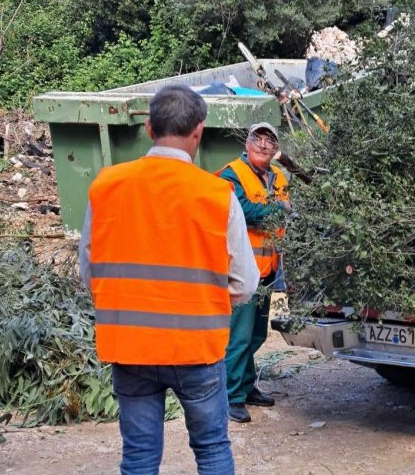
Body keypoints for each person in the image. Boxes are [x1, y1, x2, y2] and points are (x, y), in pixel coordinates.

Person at [78, 85, 259, 475]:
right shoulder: (217, 194)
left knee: (140, 456)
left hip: (129, 344)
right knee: (212, 450)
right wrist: (204, 302)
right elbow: (245, 283)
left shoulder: (105, 187)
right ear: (198, 130)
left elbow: (89, 271)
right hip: (197, 346)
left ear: (148, 129)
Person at [216, 122, 290, 423]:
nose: (262, 145)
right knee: (239, 337)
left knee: (257, 334)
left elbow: (286, 210)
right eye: (257, 139)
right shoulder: (232, 173)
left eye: (269, 141)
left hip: (267, 269)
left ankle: (246, 388)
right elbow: (241, 211)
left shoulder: (278, 177)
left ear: (275, 150)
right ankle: (230, 397)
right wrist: (279, 210)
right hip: (240, 271)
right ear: (247, 144)